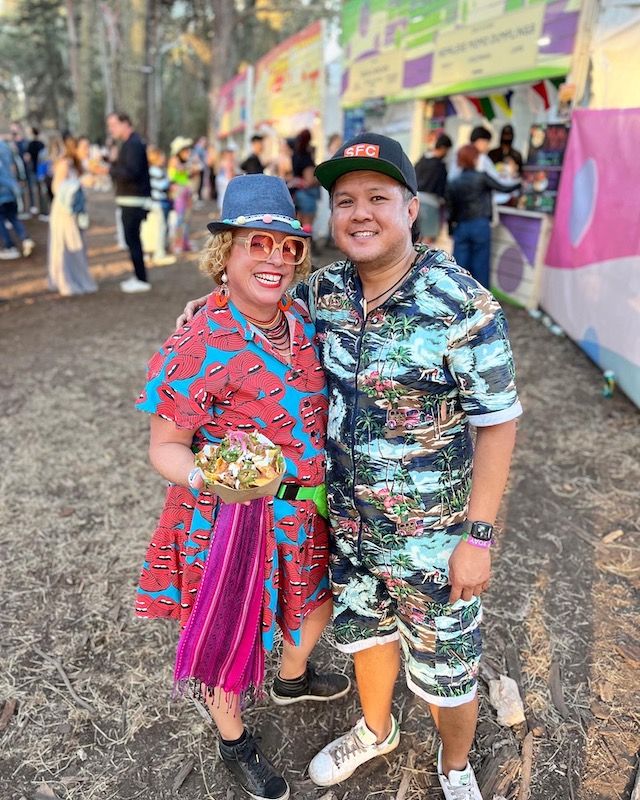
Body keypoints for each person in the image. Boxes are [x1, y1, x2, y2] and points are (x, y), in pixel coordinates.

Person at [178, 133, 523, 800]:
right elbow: (255, 303)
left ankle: (454, 767)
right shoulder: (323, 293)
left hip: (434, 541)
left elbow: (499, 422)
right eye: (344, 201)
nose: (359, 213)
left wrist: (478, 538)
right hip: (346, 530)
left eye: (376, 198)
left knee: (449, 669)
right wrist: (206, 305)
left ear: (410, 207)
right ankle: (374, 728)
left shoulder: (461, 303)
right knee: (366, 636)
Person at [135, 173, 350, 800]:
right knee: (232, 634)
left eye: (287, 247)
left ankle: (290, 676)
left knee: (313, 607)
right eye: (258, 244)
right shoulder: (197, 340)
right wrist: (221, 479)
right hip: (231, 523)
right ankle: (234, 741)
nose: (276, 259)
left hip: (304, 515)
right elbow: (165, 448)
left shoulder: (303, 320)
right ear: (225, 252)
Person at [446, 143, 520, 289]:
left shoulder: (453, 183)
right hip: (480, 224)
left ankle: (457, 300)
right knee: (481, 267)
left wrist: (451, 228)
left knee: (459, 268)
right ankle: (482, 305)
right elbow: (504, 188)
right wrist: (520, 183)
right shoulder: (482, 177)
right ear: (474, 159)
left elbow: (451, 209)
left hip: (461, 226)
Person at [106, 112, 152, 293]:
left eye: (114, 125)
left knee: (132, 239)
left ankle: (141, 278)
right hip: (130, 199)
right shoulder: (130, 144)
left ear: (125, 123)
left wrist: (109, 170)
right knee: (131, 239)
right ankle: (139, 276)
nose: (111, 129)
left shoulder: (133, 144)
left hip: (134, 200)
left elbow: (131, 173)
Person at [47, 136, 96, 296]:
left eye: (88, 147)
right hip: (63, 213)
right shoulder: (64, 164)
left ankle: (76, 278)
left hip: (74, 213)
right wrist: (80, 183)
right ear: (74, 149)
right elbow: (57, 188)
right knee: (64, 246)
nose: (87, 151)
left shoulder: (79, 166)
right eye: (84, 148)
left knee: (76, 245)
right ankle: (64, 281)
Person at [0, 135, 35, 260]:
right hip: (11, 191)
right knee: (13, 217)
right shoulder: (6, 147)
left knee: (1, 220)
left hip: (3, 192)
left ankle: (9, 246)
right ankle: (25, 238)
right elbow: (15, 166)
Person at [414, 133, 452, 243]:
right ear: (444, 148)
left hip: (416, 200)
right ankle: (424, 260)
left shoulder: (422, 159)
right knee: (427, 238)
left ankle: (415, 259)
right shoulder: (440, 165)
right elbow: (442, 188)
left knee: (416, 237)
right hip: (431, 203)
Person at [141, 145, 175, 266]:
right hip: (158, 204)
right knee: (159, 228)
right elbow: (161, 186)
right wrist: (171, 180)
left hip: (159, 203)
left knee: (160, 228)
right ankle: (159, 253)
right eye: (161, 156)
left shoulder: (155, 170)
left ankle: (159, 250)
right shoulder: (154, 171)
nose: (163, 158)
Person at [167, 136, 196, 253]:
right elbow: (183, 171)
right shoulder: (174, 160)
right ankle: (176, 243)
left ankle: (184, 242)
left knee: (186, 219)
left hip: (186, 192)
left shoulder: (185, 162)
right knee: (179, 219)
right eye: (185, 150)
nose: (188, 153)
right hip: (178, 193)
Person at [290, 129, 320, 238]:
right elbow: (309, 181)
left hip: (297, 194)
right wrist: (320, 177)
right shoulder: (306, 158)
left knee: (298, 224)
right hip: (307, 194)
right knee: (307, 226)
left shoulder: (295, 155)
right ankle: (307, 249)